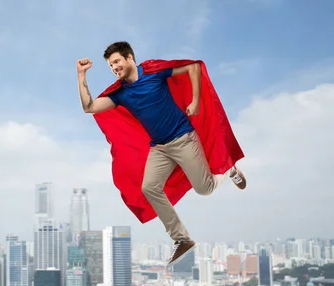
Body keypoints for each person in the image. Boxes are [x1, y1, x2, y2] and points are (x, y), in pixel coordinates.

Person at [76, 41, 247, 265]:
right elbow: (89, 107)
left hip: (183, 138)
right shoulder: (120, 94)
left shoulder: (153, 73)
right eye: (110, 66)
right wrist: (81, 75)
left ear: (129, 58)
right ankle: (182, 239)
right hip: (159, 148)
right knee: (149, 187)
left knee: (204, 189)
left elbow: (193, 67)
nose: (114, 68)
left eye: (116, 61)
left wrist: (195, 100)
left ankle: (229, 169)